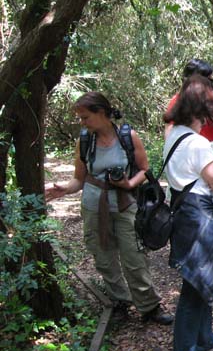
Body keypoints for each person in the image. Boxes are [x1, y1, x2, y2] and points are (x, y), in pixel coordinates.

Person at [45, 92, 172, 325]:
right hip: (94, 206)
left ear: (101, 113)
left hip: (126, 204)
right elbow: (79, 179)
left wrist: (128, 183)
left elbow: (144, 169)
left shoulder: (127, 136)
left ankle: (149, 306)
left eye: (85, 117)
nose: (82, 123)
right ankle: (119, 302)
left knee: (134, 256)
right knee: (104, 257)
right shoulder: (84, 141)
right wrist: (63, 189)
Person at [162, 75, 213, 351]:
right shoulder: (197, 143)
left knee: (203, 284)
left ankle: (205, 341)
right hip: (198, 220)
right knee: (194, 289)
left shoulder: (175, 134)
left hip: (186, 216)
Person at [165, 58, 213, 145]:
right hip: (191, 153)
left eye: (210, 79)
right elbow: (169, 133)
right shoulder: (177, 101)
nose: (209, 83)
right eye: (206, 80)